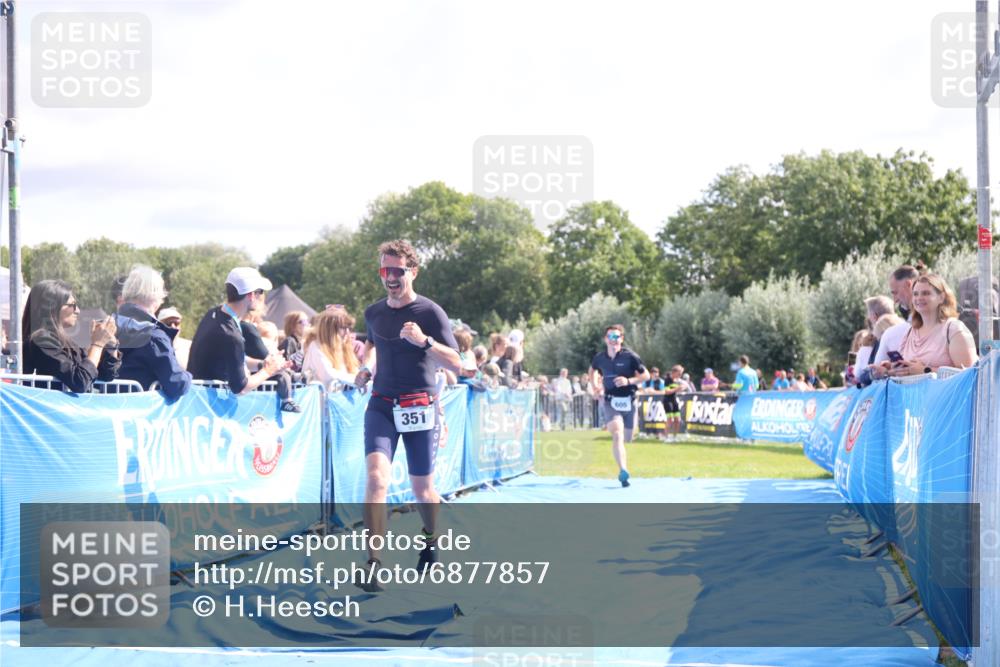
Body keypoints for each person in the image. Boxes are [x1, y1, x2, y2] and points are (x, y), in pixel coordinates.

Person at [353, 240, 461, 588]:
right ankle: (373, 562)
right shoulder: (373, 312)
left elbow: (458, 363)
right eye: (385, 270)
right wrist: (366, 369)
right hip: (382, 404)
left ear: (412, 272)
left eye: (398, 271)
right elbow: (372, 346)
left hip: (419, 406)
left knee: (423, 491)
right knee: (376, 479)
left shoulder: (431, 313)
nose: (391, 278)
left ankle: (430, 540)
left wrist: (426, 342)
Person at [188, 267, 287, 398]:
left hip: (196, 400)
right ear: (251, 295)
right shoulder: (231, 335)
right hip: (209, 406)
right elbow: (241, 387)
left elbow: (231, 360)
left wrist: (262, 364)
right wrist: (269, 370)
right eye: (260, 292)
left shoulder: (213, 314)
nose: (262, 296)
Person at [22, 279, 121, 392]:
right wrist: (97, 344)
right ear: (51, 307)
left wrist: (110, 343)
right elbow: (79, 382)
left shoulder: (66, 343)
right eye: (72, 305)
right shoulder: (41, 341)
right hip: (48, 409)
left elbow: (104, 375)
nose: (77, 311)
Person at [114, 265, 192, 399]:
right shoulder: (154, 336)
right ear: (156, 298)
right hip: (139, 414)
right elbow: (177, 384)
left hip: (105, 411)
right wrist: (189, 376)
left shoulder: (106, 326)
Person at [880, 273, 978, 377]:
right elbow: (910, 371)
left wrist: (925, 370)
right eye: (915, 294)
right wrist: (890, 369)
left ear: (941, 297)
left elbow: (969, 374)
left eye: (926, 293)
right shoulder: (910, 332)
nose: (919, 298)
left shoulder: (954, 329)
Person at [588, 324, 650, 488]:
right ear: (605, 339)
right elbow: (592, 370)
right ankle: (623, 471)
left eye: (617, 337)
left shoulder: (630, 357)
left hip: (629, 400)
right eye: (610, 336)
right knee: (617, 433)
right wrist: (595, 386)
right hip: (610, 401)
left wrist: (628, 381)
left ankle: (623, 463)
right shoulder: (600, 358)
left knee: (627, 438)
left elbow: (646, 375)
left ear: (621, 339)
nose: (613, 340)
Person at [302, 308, 360, 389]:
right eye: (343, 327)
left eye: (349, 328)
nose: (347, 332)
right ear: (329, 330)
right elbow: (328, 376)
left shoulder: (343, 347)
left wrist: (362, 378)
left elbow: (353, 370)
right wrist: (357, 380)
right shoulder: (316, 347)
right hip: (322, 400)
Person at [662, 365, 685, 441]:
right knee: (670, 420)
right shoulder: (667, 380)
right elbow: (667, 392)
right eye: (679, 373)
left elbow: (677, 390)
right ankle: (666, 437)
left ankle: (675, 437)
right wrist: (677, 388)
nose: (680, 375)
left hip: (674, 400)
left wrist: (681, 388)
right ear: (674, 372)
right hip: (667, 401)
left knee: (678, 420)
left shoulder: (677, 380)